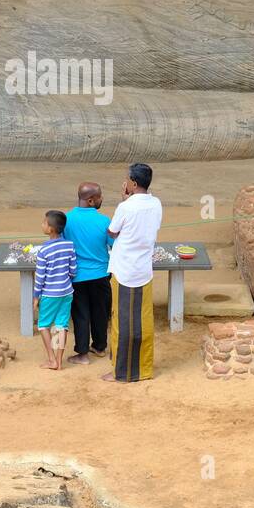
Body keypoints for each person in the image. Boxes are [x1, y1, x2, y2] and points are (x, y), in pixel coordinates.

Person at [104, 163, 163, 383]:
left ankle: (121, 372)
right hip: (144, 270)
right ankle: (144, 369)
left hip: (125, 271)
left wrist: (123, 200)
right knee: (144, 322)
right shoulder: (156, 203)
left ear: (133, 183)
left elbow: (112, 231)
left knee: (122, 323)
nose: (125, 182)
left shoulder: (126, 207)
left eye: (127, 179)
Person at [64, 182, 114, 364]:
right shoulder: (105, 221)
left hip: (76, 276)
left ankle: (83, 354)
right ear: (91, 200)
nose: (102, 199)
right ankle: (100, 347)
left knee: (80, 314)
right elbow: (114, 245)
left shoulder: (66, 220)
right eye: (100, 196)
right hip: (101, 275)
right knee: (101, 312)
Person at [33, 210, 77, 372]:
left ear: (50, 229)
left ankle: (51, 359)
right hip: (66, 292)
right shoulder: (69, 245)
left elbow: (40, 277)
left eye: (44, 222)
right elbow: (73, 270)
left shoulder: (44, 250)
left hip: (49, 294)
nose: (42, 224)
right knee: (61, 325)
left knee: (43, 325)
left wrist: (36, 296)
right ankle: (59, 361)